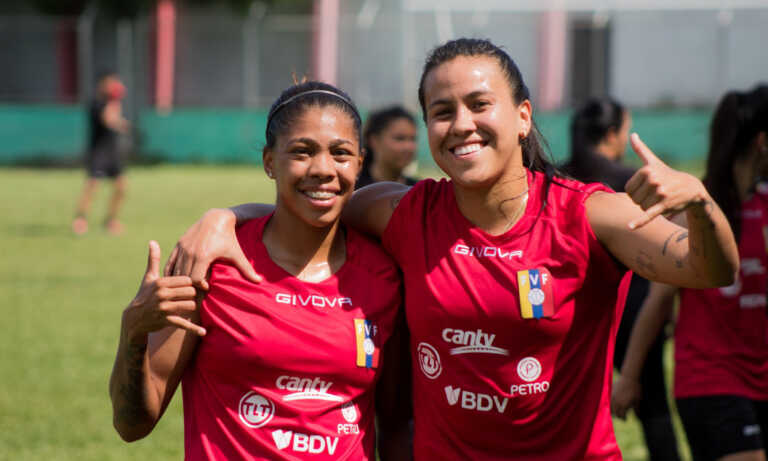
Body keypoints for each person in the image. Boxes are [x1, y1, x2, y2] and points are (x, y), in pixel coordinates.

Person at [166, 39, 739, 459]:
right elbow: (316, 199)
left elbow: (709, 269)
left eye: (479, 104)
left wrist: (701, 205)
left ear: (522, 118)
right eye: (442, 112)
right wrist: (225, 217)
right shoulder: (405, 212)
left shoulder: (587, 214)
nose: (461, 124)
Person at [109, 81, 410, 459]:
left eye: (340, 153)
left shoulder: (384, 276)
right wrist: (133, 332)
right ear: (270, 161)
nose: (323, 168)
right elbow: (132, 424)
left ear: (360, 163)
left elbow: (397, 425)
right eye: (302, 151)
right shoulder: (210, 264)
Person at [612, 84, 768, 461]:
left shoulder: (763, 206)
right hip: (709, 380)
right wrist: (630, 377)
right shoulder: (696, 211)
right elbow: (658, 302)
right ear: (762, 142)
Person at [563, 97, 681, 461]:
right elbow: (672, 248)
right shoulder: (632, 183)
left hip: (570, 311)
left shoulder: (554, 177)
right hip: (634, 310)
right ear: (613, 134)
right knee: (655, 409)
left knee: (565, 412)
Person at [72, 72, 131, 235]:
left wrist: (124, 124)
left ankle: (110, 220)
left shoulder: (113, 103)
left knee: (122, 187)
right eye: (111, 83)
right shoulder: (97, 103)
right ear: (103, 84)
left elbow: (116, 120)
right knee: (93, 186)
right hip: (99, 151)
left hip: (113, 152)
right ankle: (80, 218)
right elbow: (108, 120)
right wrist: (114, 103)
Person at [356, 105, 419, 189]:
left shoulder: (419, 190)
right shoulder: (354, 189)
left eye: (412, 139)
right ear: (374, 140)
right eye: (400, 138)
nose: (409, 147)